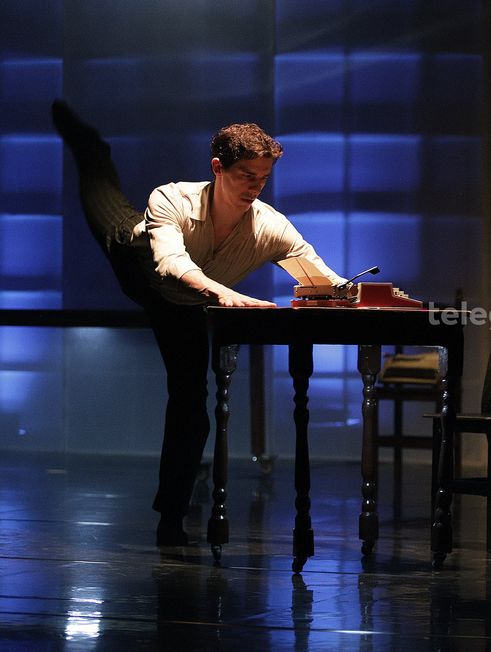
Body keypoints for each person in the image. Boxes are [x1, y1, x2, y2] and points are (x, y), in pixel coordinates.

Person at [51, 101, 348, 546]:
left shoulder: (272, 226)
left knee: (192, 405)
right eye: (246, 175)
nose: (255, 187)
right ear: (217, 168)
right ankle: (91, 145)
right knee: (101, 189)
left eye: (263, 178)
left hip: (184, 306)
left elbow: (319, 275)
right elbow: (170, 262)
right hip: (138, 261)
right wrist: (222, 293)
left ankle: (171, 518)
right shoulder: (171, 198)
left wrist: (359, 291)